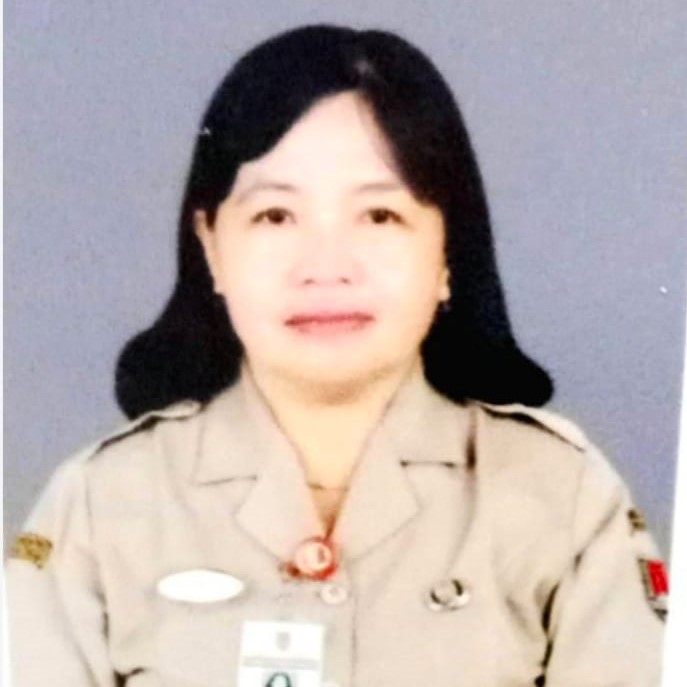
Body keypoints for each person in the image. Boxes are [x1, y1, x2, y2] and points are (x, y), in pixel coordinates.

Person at [6, 24, 667, 687]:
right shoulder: (101, 505)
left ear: (448, 251)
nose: (325, 266)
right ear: (211, 245)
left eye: (379, 216)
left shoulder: (562, 499)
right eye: (275, 216)